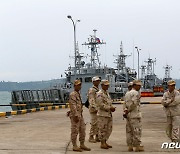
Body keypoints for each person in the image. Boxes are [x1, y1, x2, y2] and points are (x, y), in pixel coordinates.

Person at [68, 79, 91, 152]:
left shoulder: (78, 94)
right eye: (78, 85)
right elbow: (73, 105)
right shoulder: (73, 94)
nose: (79, 86)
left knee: (82, 130)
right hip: (76, 116)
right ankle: (74, 146)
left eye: (80, 85)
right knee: (75, 131)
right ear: (74, 86)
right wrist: (75, 115)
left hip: (80, 115)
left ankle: (82, 144)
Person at [123, 80, 144, 152]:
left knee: (129, 131)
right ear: (135, 85)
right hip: (135, 115)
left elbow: (125, 104)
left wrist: (125, 111)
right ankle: (137, 146)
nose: (140, 87)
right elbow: (134, 104)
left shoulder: (127, 93)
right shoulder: (136, 93)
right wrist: (129, 110)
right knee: (137, 131)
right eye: (139, 86)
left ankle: (130, 146)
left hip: (128, 115)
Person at [96, 79, 116, 149]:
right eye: (106, 85)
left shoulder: (107, 93)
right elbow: (100, 104)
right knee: (102, 129)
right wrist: (109, 108)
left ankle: (105, 141)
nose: (107, 86)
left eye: (108, 85)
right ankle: (102, 143)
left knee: (109, 128)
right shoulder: (99, 94)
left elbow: (109, 102)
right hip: (102, 114)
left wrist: (111, 107)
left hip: (108, 114)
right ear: (102, 86)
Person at [88, 76, 101, 143]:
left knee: (98, 123)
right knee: (94, 123)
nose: (98, 82)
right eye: (96, 81)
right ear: (93, 82)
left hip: (98, 109)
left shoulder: (98, 89)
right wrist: (95, 108)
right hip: (94, 110)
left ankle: (97, 136)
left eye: (98, 80)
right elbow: (91, 100)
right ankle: (91, 136)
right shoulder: (92, 90)